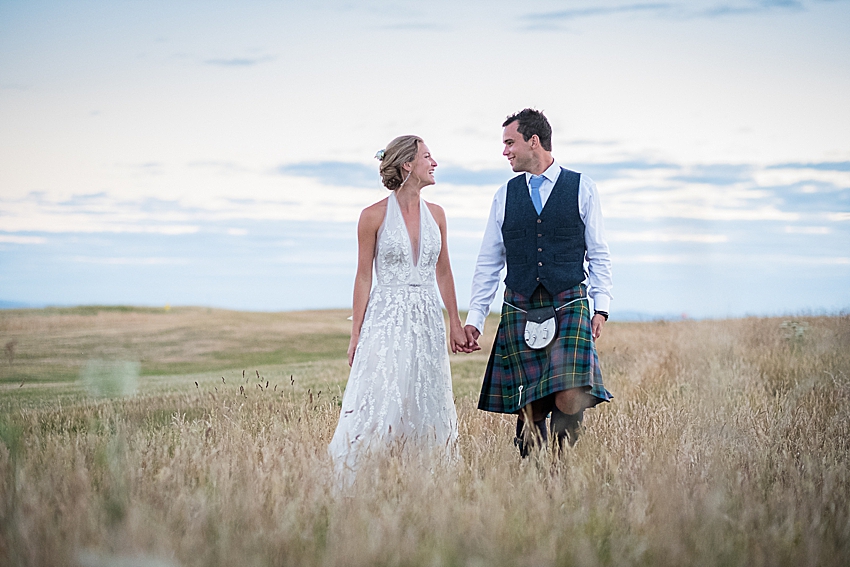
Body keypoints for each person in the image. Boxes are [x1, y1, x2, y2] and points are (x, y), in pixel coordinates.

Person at [463, 109, 613, 457]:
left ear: (534, 141)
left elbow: (599, 253)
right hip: (520, 303)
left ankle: (564, 466)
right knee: (530, 403)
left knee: (569, 393)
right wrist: (476, 318)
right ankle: (534, 470)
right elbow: (489, 261)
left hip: (569, 301)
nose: (505, 152)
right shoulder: (504, 195)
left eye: (509, 142)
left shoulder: (581, 187)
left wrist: (601, 306)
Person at [329, 135, 468, 479]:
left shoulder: (438, 215)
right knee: (381, 395)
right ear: (408, 164)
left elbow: (445, 271)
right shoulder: (371, 216)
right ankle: (361, 474)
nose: (434, 163)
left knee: (426, 395)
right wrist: (355, 333)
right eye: (427, 156)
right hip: (386, 317)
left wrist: (454, 321)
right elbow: (363, 277)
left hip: (427, 317)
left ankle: (426, 477)